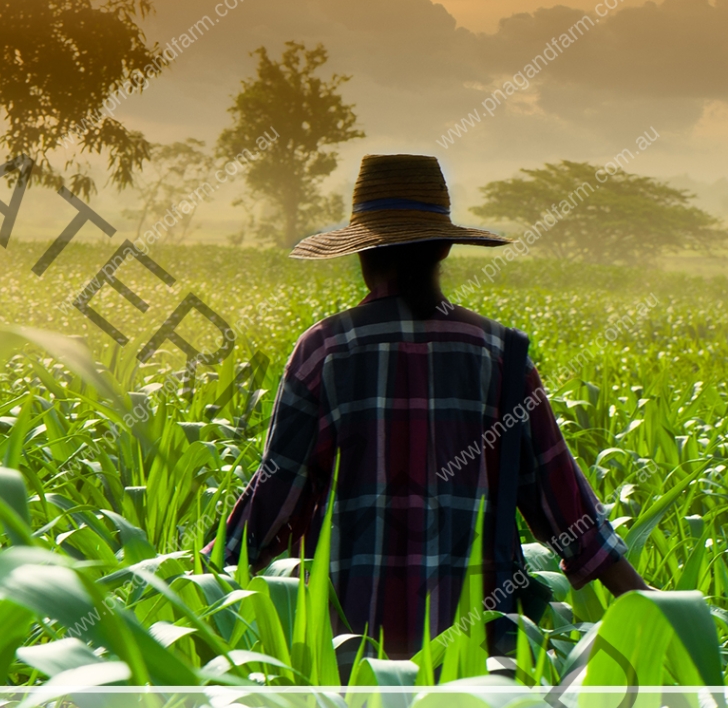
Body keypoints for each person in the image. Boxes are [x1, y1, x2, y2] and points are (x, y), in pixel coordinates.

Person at [213, 154, 650, 661]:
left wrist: (205, 577)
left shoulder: (325, 351)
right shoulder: (502, 355)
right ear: (444, 247)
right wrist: (642, 597)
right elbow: (561, 501)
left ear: (362, 254)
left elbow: (276, 495)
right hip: (481, 652)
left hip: (347, 645)